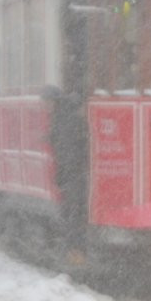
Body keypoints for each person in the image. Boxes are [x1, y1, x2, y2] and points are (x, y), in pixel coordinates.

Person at [42, 86, 90, 252]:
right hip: (73, 172)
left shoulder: (64, 118)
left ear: (54, 101)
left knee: (72, 210)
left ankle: (75, 250)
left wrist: (65, 173)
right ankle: (74, 248)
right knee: (72, 210)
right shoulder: (65, 115)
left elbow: (68, 149)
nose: (46, 107)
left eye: (47, 102)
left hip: (73, 172)